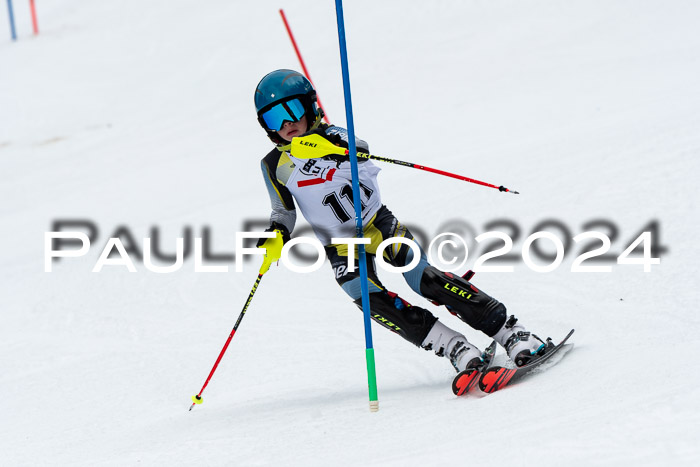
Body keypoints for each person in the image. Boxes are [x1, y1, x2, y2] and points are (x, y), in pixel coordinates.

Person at [254, 69, 546, 372]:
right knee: (365, 296)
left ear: (310, 106)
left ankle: (511, 332)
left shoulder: (334, 135)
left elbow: (360, 149)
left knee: (423, 278)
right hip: (340, 244)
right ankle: (454, 346)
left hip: (377, 225)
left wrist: (330, 149)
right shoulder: (273, 164)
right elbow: (283, 210)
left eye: (292, 110)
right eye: (274, 118)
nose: (286, 124)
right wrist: (277, 232)